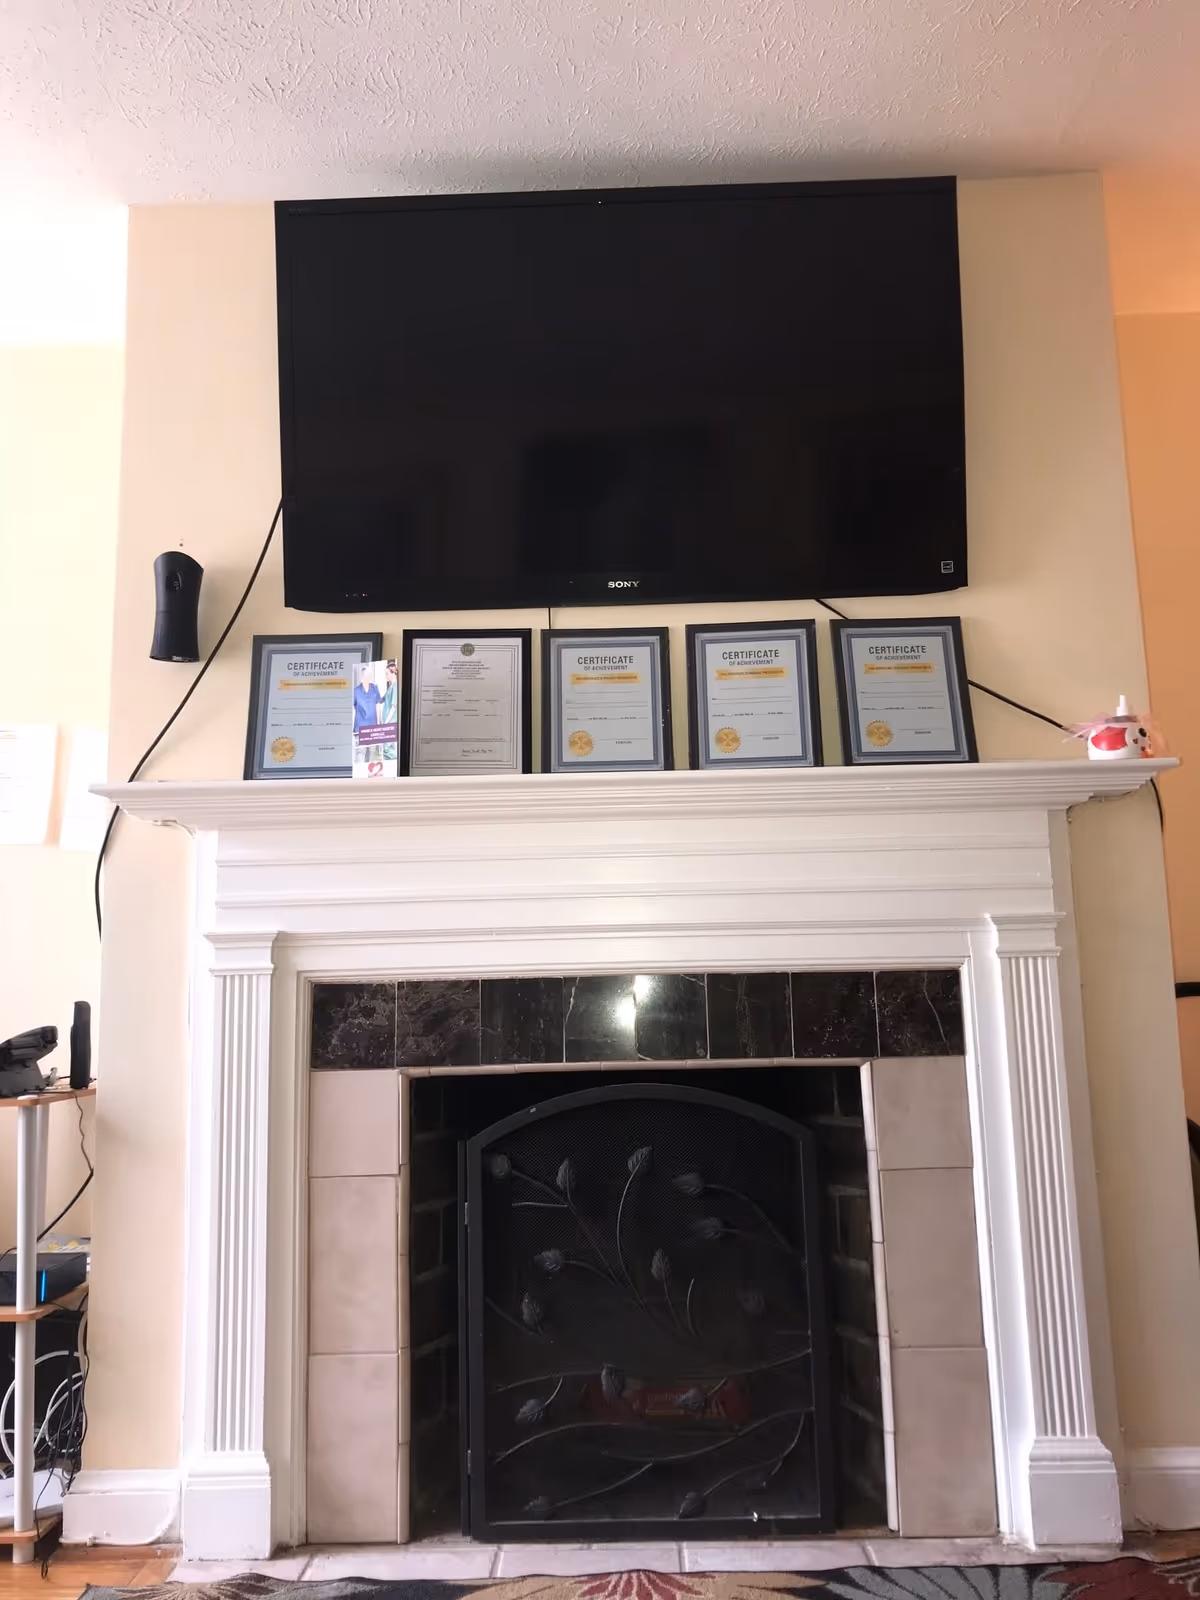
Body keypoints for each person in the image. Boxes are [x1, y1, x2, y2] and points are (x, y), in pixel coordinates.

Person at [354, 663, 382, 732]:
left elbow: (378, 704)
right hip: (360, 726)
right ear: (362, 678)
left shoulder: (375, 688)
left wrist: (378, 721)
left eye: (369, 675)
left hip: (373, 725)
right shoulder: (356, 691)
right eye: (365, 676)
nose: (367, 678)